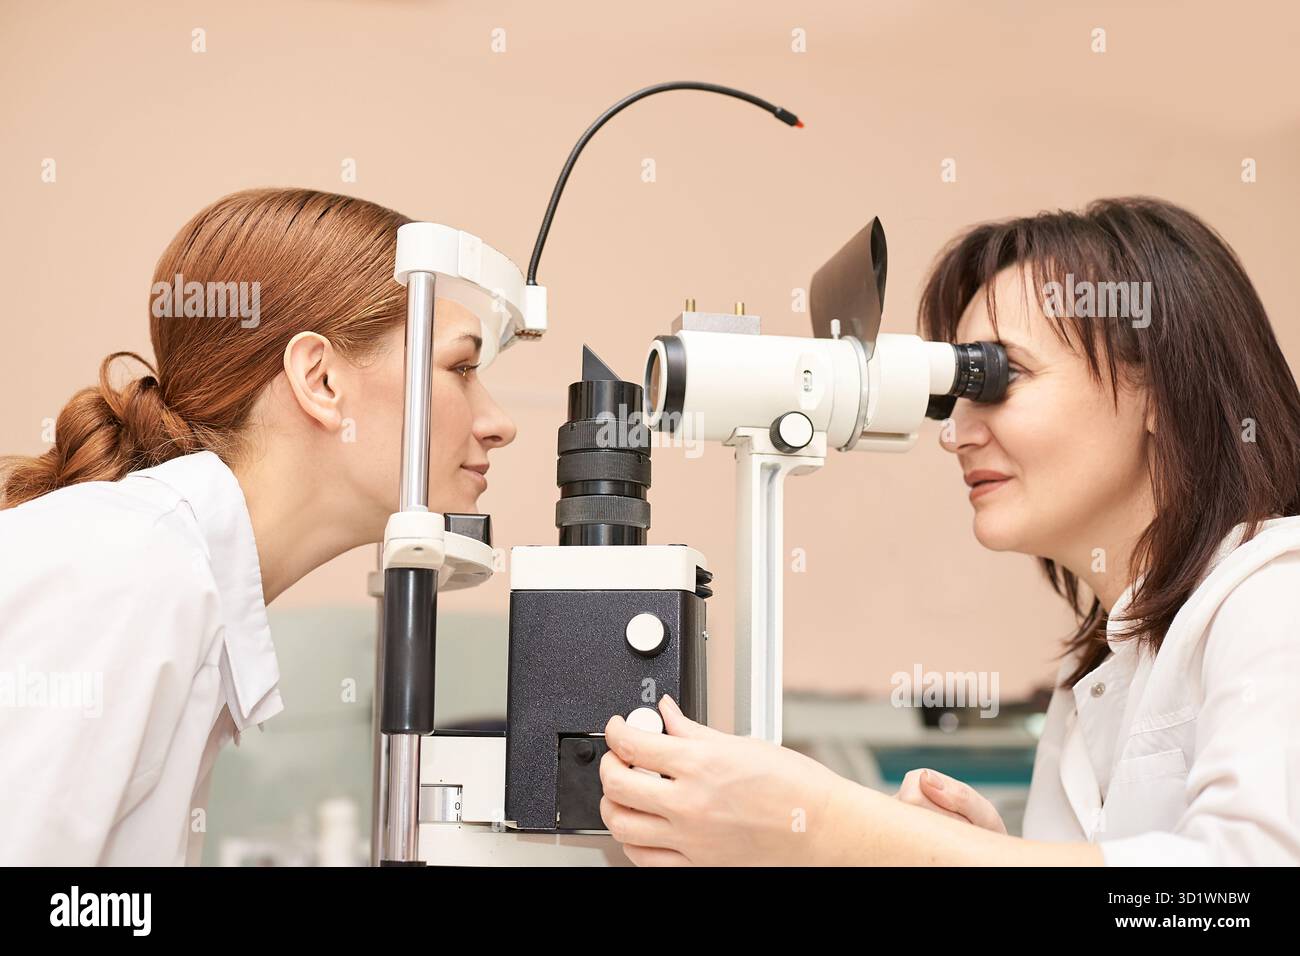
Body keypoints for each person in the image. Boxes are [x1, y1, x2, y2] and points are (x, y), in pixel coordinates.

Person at [598, 197, 1300, 866]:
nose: (957, 435)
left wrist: (847, 834)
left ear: (1161, 390)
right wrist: (965, 850)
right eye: (957, 395)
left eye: (1000, 376)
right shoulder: (1091, 676)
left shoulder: (1275, 593)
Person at [0, 188, 517, 864]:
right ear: (321, 380)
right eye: (461, 368)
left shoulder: (174, 574)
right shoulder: (131, 569)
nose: (498, 422)